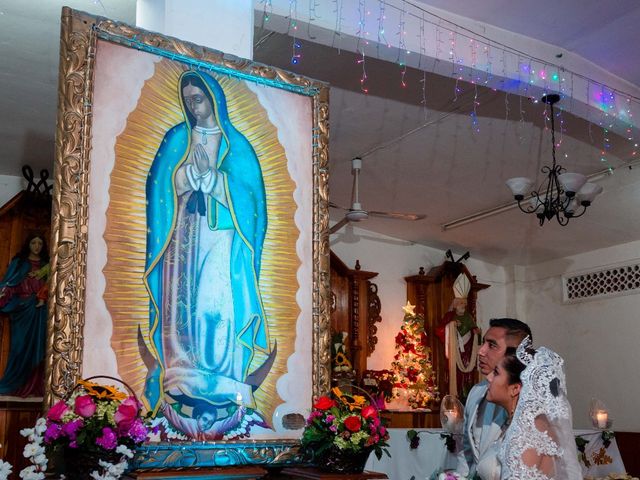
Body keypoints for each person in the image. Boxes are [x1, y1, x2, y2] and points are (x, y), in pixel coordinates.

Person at [143, 70, 272, 433]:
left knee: (215, 301)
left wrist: (214, 179)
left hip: (221, 238)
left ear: (214, 99)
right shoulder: (176, 138)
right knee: (181, 298)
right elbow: (157, 187)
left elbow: (252, 204)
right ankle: (182, 371)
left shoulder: (237, 145)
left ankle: (222, 375)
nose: (193, 107)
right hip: (183, 232)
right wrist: (184, 176)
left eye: (198, 99)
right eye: (188, 101)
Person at [488, 339, 582, 479]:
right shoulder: (523, 424)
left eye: (496, 372)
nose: (489, 378)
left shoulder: (527, 432)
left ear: (515, 388)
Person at [457, 318, 532, 479]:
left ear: (515, 354)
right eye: (483, 343)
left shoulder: (530, 404)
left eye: (492, 345)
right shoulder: (476, 392)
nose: (480, 351)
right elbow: (467, 452)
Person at [0, 234, 49, 397]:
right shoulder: (20, 263)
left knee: (39, 348)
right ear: (28, 244)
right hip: (23, 310)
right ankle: (14, 384)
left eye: (40, 243)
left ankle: (36, 387)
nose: (36, 246)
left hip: (40, 310)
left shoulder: (46, 265)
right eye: (33, 242)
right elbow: (10, 283)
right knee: (19, 347)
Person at [435, 273, 481, 401]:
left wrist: (476, 331)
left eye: (464, 303)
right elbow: (439, 330)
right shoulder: (450, 316)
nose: (463, 306)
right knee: (456, 375)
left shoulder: (468, 316)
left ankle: (467, 395)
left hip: (467, 352)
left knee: (468, 375)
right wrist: (452, 325)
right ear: (455, 304)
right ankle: (456, 396)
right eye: (460, 303)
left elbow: (473, 329)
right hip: (455, 352)